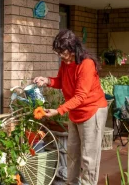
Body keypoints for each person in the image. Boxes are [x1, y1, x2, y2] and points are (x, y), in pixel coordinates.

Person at [34, 29, 108, 185]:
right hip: (75, 112)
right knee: (72, 154)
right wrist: (46, 80)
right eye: (59, 53)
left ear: (73, 48)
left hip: (92, 111)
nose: (61, 56)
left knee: (89, 157)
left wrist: (58, 110)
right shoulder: (66, 62)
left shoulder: (86, 64)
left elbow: (81, 96)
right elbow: (61, 81)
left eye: (63, 52)